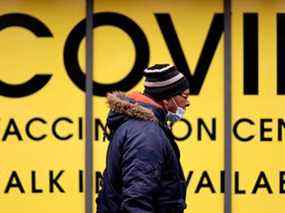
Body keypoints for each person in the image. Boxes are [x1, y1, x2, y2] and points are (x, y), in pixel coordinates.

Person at [96, 64, 190, 213]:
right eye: (184, 96)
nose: (187, 102)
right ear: (167, 99)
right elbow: (137, 199)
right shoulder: (146, 134)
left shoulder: (143, 128)